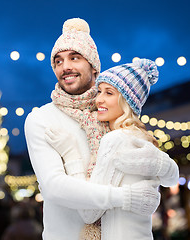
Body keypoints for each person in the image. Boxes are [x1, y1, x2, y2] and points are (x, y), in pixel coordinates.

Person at [24, 17, 163, 240]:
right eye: (58, 61)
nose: (65, 66)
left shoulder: (112, 112)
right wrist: (125, 197)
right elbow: (54, 187)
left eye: (75, 58)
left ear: (94, 66)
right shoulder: (41, 118)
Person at [45, 59, 179, 239]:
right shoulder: (141, 139)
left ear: (127, 101)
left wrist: (71, 155)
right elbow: (171, 176)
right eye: (99, 91)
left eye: (109, 93)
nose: (99, 99)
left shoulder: (115, 139)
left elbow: (88, 212)